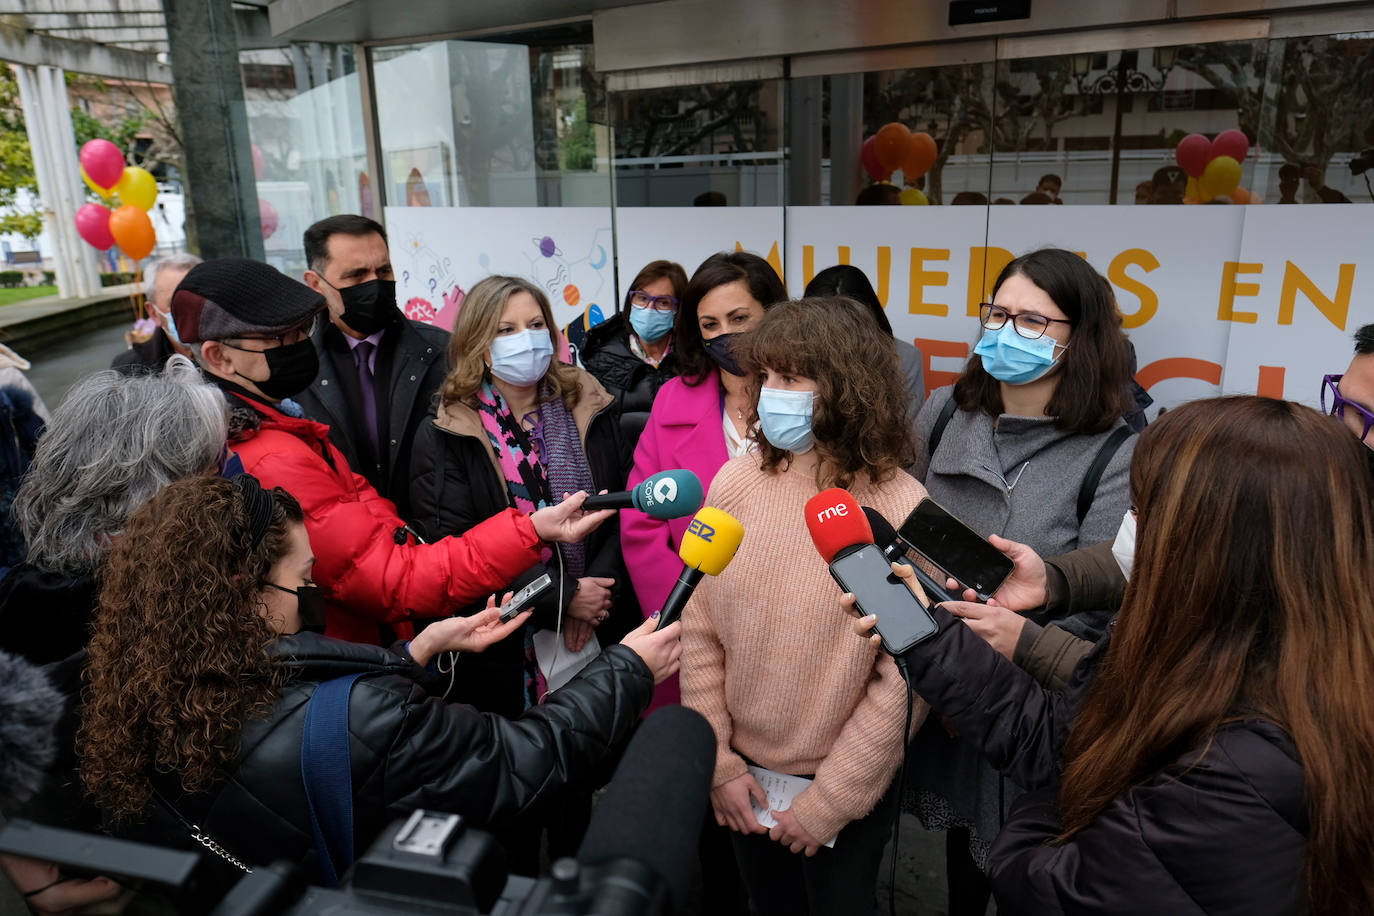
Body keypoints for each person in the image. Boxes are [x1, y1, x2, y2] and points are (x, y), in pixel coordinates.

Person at [850, 396, 1374, 915]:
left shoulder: (1240, 771)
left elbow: (1046, 880)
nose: (1126, 526)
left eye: (1142, 508)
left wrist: (1063, 787)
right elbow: (1056, 737)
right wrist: (928, 636)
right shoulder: (1201, 651)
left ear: (1216, 546)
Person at [76, 475, 682, 900]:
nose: (319, 596)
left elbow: (307, 714)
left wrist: (418, 653)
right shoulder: (363, 716)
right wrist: (627, 668)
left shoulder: (144, 680)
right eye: (306, 580)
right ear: (243, 593)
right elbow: (524, 763)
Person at [171, 257, 611, 646]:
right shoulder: (272, 457)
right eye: (280, 339)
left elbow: (380, 528)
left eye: (301, 331)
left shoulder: (290, 429)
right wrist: (532, 538)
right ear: (219, 357)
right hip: (352, 654)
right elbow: (391, 576)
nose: (301, 345)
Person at [682, 296, 925, 916]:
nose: (769, 392)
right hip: (742, 777)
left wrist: (831, 802)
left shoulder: (898, 506)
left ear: (846, 387)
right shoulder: (734, 482)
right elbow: (699, 628)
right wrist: (719, 763)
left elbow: (904, 677)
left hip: (842, 794)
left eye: (790, 377)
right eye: (765, 376)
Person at [911, 247, 1136, 914]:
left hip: (1023, 702)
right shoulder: (945, 411)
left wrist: (987, 677)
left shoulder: (1116, 452)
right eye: (999, 314)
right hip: (924, 675)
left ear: (1081, 337)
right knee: (952, 853)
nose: (1007, 332)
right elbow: (901, 521)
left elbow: (1100, 600)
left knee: (1007, 856)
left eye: (1033, 321)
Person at [0, 357, 230, 830]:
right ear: (159, 488)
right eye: (214, 469)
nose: (224, 485)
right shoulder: (140, 614)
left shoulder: (35, 590)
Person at [409, 275, 636, 715]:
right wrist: (564, 597)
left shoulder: (591, 404)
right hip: (504, 649)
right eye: (506, 330)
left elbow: (624, 506)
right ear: (478, 343)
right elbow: (455, 547)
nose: (525, 340)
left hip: (603, 622)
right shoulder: (448, 431)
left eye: (535, 326)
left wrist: (596, 594)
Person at [620, 251, 787, 708]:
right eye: (710, 325)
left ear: (774, 315)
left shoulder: (802, 401)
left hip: (785, 628)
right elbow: (642, 520)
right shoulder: (673, 399)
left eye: (739, 318)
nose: (725, 335)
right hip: (691, 627)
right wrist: (687, 616)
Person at [296, 215, 450, 519]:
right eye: (356, 275)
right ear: (315, 284)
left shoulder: (443, 353)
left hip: (439, 540)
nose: (375, 285)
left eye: (383, 270)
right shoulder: (298, 371)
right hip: (347, 547)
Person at [578, 260, 689, 447]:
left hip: (679, 472)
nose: (649, 309)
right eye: (642, 298)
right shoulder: (601, 358)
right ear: (631, 301)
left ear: (678, 310)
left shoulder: (694, 360)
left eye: (663, 302)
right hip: (622, 474)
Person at [803, 264, 924, 424]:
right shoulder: (792, 357)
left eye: (846, 325)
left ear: (869, 317)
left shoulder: (904, 357)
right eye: (823, 327)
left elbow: (906, 433)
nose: (836, 339)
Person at [111, 253, 200, 374]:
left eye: (199, 300)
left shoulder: (233, 352)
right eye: (176, 303)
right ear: (153, 313)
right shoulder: (129, 370)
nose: (191, 310)